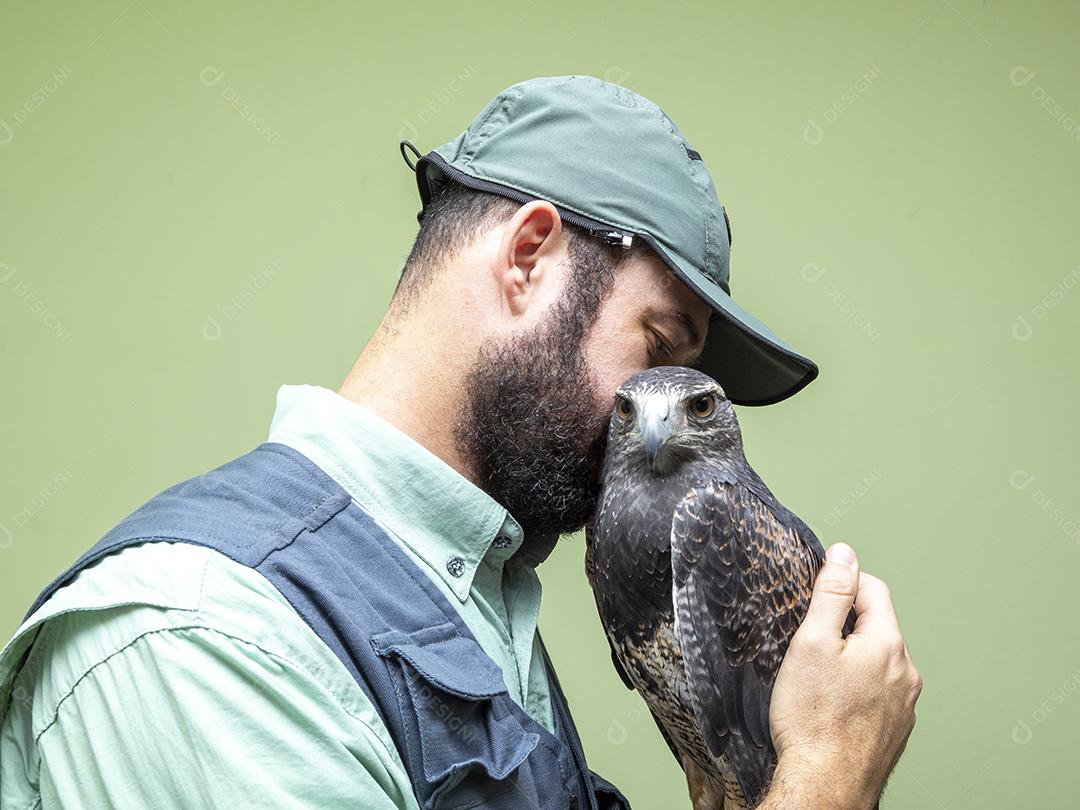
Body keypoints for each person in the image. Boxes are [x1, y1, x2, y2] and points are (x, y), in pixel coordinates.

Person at [0, 75, 920, 809]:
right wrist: (824, 782)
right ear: (527, 258)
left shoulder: (481, 595)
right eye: (656, 345)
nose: (647, 416)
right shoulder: (204, 643)